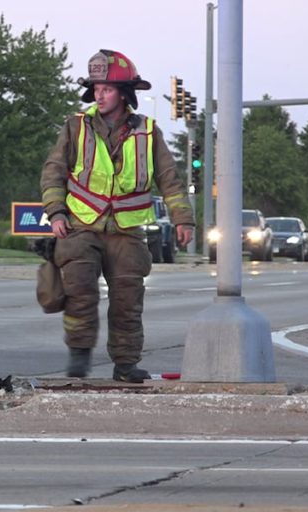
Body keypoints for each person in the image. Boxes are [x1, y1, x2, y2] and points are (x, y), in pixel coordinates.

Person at [39, 49, 195, 382]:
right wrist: (56, 213)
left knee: (127, 301)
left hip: (126, 230)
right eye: (96, 88)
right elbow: (53, 171)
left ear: (124, 94)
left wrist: (182, 218)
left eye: (107, 88)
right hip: (80, 225)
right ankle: (79, 355)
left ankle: (126, 365)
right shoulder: (75, 126)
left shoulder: (149, 132)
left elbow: (170, 178)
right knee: (80, 292)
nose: (100, 94)